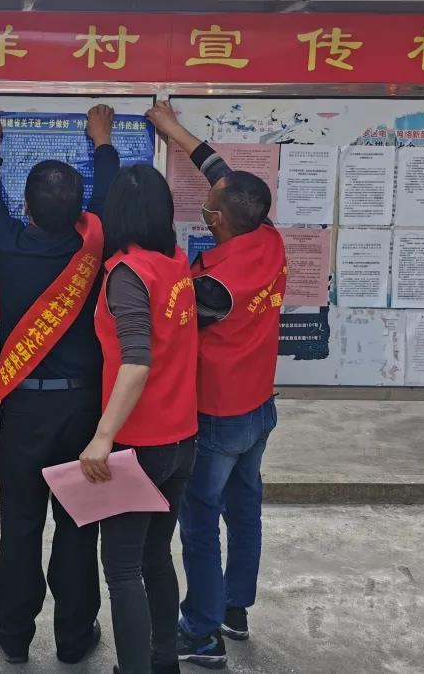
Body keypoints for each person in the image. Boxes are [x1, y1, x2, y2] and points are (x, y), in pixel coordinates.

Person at [0, 106, 119, 666]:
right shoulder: (96, 248)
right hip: (83, 409)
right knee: (79, 526)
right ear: (81, 213)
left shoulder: (6, 243)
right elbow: (106, 196)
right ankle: (74, 639)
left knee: (20, 526)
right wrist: (102, 141)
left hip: (22, 412)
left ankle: (13, 636)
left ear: (26, 208)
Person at [146, 101, 286, 670]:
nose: (206, 203)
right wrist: (173, 129)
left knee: (200, 520)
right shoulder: (268, 237)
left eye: (210, 204)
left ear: (217, 220)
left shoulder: (214, 288)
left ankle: (201, 633)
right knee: (244, 506)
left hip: (218, 416)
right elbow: (221, 174)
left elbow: (166, 329)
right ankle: (235, 608)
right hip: (259, 409)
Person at [79, 164, 199, 674]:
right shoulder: (176, 263)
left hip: (139, 446)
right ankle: (162, 661)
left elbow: (137, 360)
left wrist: (102, 437)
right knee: (155, 557)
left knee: (123, 568)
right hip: (181, 442)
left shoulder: (127, 274)